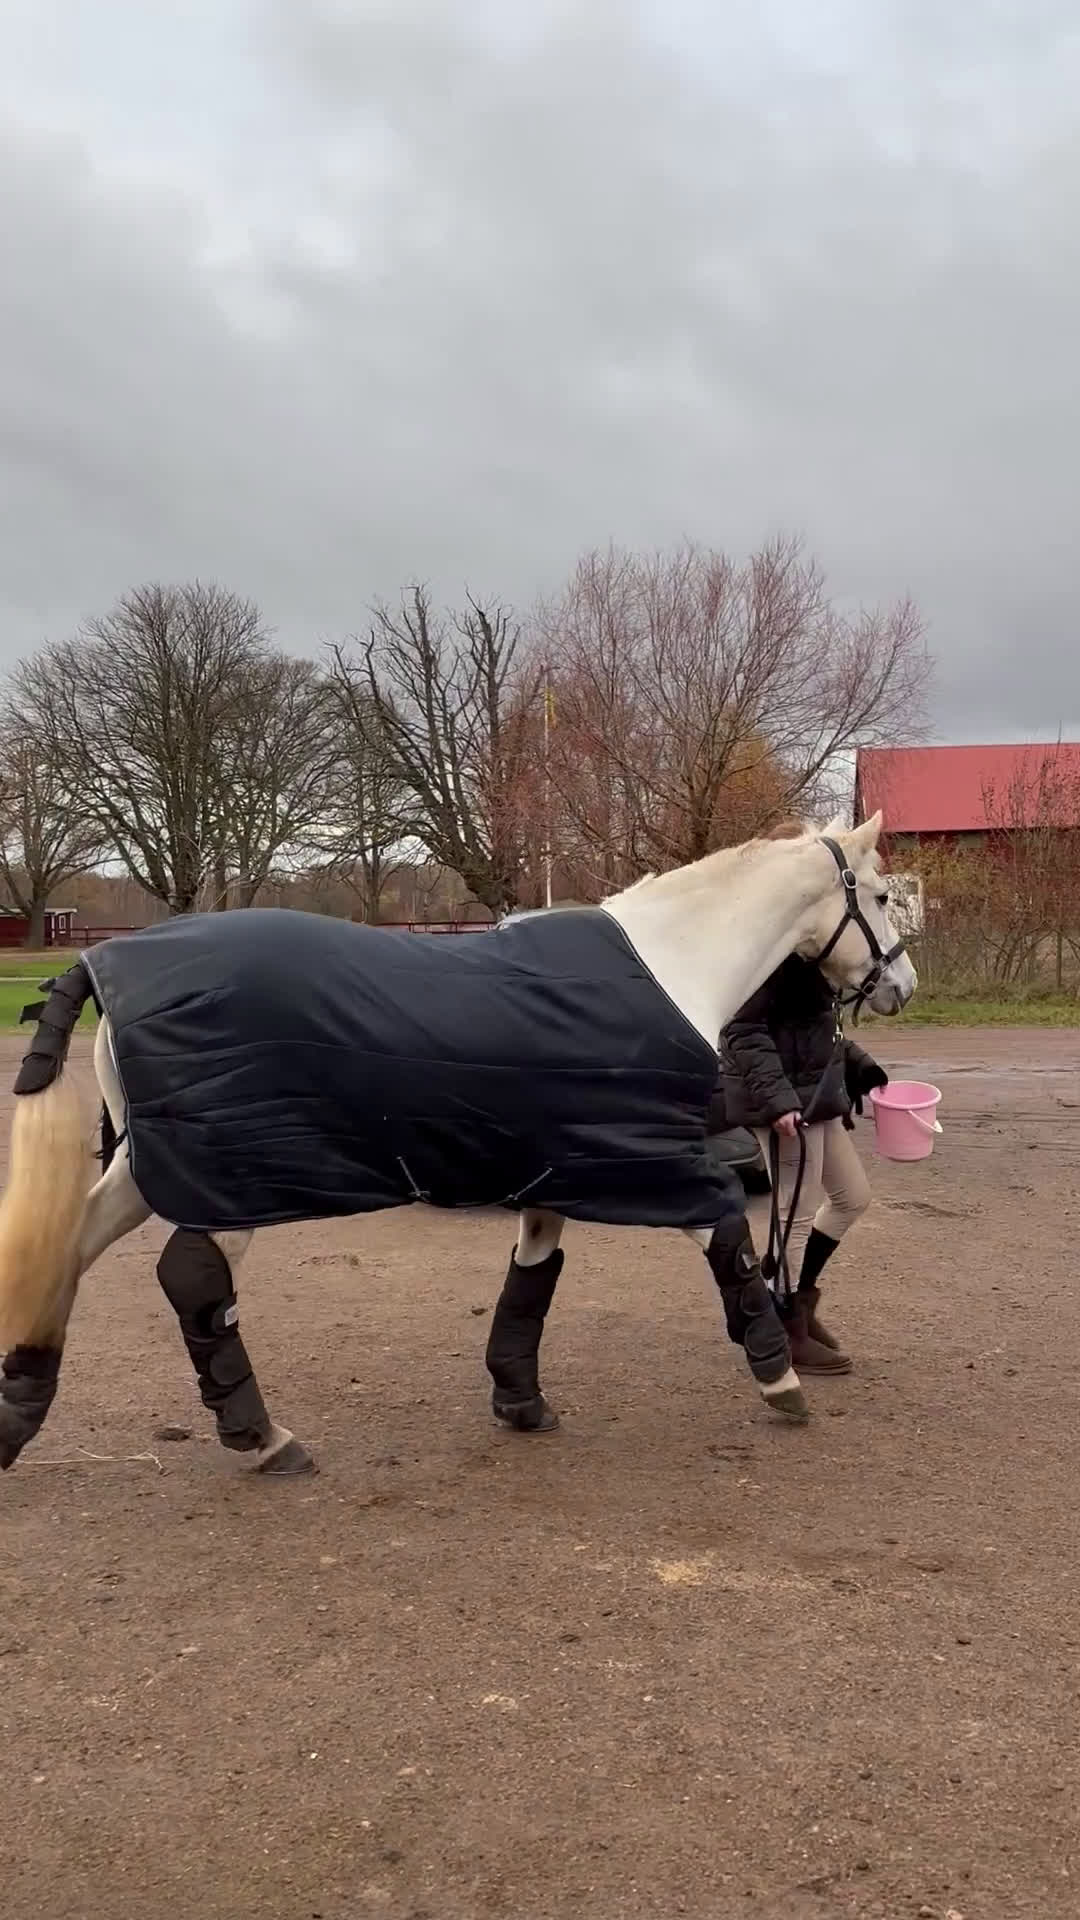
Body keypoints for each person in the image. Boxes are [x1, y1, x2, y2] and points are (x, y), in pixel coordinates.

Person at [708, 821, 889, 1374]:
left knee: (851, 1198)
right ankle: (783, 1327)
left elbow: (815, 1027)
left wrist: (861, 1067)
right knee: (793, 1217)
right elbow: (741, 1031)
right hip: (788, 1104)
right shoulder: (760, 946)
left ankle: (801, 1298)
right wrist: (779, 1098)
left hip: (819, 1094)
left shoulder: (810, 941)